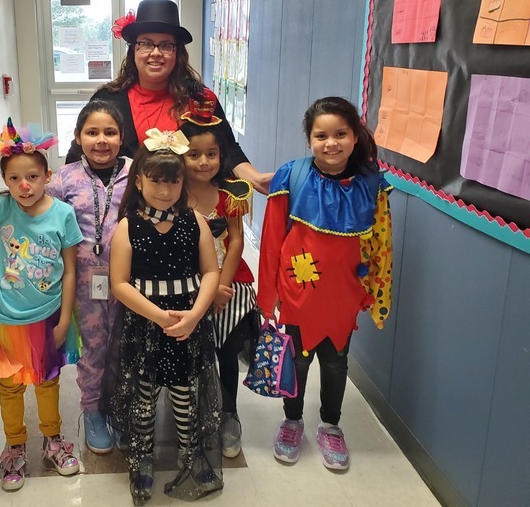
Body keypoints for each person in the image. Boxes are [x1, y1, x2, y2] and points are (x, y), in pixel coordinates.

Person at [256, 97, 393, 471]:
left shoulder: (372, 183)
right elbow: (271, 239)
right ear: (309, 139)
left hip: (344, 292)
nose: (331, 143)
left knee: (335, 362)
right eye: (321, 136)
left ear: (355, 136)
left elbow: (381, 242)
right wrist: (269, 293)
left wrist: (375, 288)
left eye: (340, 134)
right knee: (297, 359)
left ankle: (331, 425)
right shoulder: (291, 175)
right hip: (298, 289)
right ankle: (292, 421)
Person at [0, 119, 83, 492]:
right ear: (5, 180)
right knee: (10, 386)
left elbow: (70, 272)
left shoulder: (62, 214)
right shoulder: (0, 208)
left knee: (47, 381)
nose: (24, 186)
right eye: (14, 178)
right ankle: (14, 446)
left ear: (47, 176)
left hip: (46, 316)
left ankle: (53, 440)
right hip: (5, 317)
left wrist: (64, 320)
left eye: (32, 177)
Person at [102, 128, 223, 506]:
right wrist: (160, 317)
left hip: (190, 323)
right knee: (145, 395)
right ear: (138, 181)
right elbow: (119, 283)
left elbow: (211, 272)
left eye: (173, 181)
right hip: (145, 324)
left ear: (183, 183)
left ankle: (191, 454)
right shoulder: (128, 226)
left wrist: (194, 316)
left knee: (187, 392)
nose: (165, 190)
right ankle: (143, 458)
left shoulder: (195, 220)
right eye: (156, 181)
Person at [64, 0, 272, 194]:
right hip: (125, 208)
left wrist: (257, 178)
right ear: (134, 50)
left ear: (177, 52)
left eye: (165, 45)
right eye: (146, 43)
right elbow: (78, 155)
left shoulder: (200, 99)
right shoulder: (108, 100)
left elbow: (227, 147)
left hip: (190, 206)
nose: (155, 53)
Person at [178, 91, 261, 460]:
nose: (203, 162)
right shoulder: (172, 194)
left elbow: (237, 241)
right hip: (186, 285)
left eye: (211, 154)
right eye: (194, 154)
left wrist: (221, 286)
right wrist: (202, 291)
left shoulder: (231, 193)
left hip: (230, 284)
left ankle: (228, 413)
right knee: (191, 352)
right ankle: (194, 412)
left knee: (226, 352)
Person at [47, 99, 131, 454]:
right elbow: (43, 224)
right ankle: (93, 412)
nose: (101, 140)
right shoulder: (63, 179)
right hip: (83, 285)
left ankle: (121, 410)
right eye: (92, 132)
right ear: (78, 136)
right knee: (93, 348)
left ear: (121, 136)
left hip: (131, 282)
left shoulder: (137, 173)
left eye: (110, 132)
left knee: (125, 348)